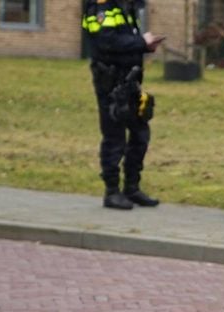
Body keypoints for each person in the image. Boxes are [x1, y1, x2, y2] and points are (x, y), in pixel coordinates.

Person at [82, 0, 164, 210]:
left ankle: (132, 187)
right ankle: (111, 191)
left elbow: (126, 40)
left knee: (140, 134)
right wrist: (141, 42)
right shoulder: (101, 7)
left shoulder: (126, 8)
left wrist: (145, 45)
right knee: (114, 136)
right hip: (110, 84)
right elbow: (107, 42)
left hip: (130, 82)